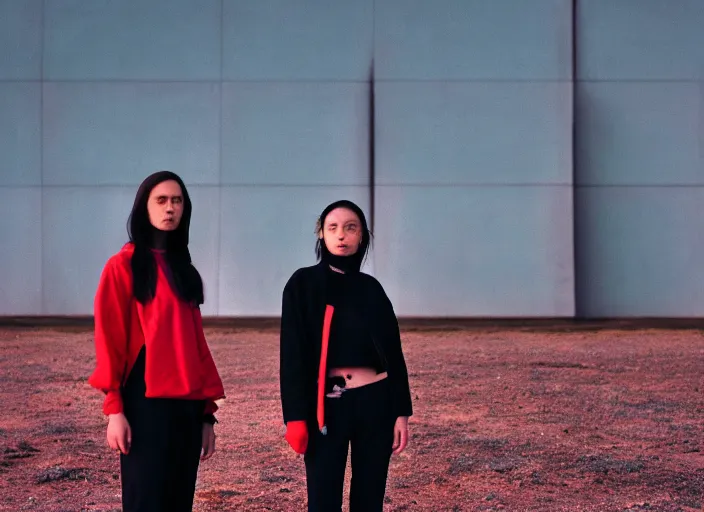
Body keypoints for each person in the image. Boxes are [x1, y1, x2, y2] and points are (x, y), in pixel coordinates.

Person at [88, 171, 225, 512]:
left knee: (179, 502)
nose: (170, 208)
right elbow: (111, 342)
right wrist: (115, 411)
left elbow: (196, 345)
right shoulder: (122, 266)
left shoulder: (184, 270)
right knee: (145, 501)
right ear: (143, 208)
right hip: (144, 405)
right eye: (161, 200)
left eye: (177, 201)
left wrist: (207, 415)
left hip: (186, 408)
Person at [279, 199, 413, 512]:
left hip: (375, 404)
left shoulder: (372, 289)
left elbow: (393, 353)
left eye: (350, 228)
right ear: (321, 235)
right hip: (328, 405)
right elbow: (292, 358)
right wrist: (295, 417)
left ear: (362, 237)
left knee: (369, 498)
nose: (342, 235)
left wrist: (401, 411)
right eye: (333, 228)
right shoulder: (303, 285)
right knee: (323, 499)